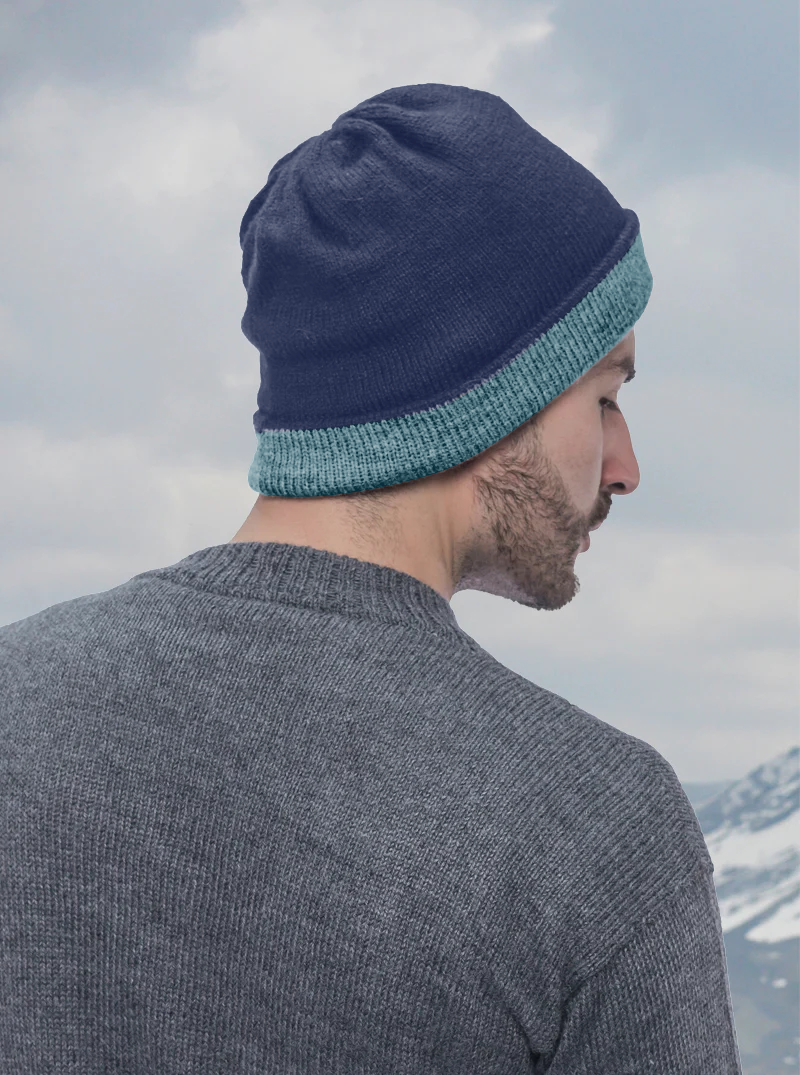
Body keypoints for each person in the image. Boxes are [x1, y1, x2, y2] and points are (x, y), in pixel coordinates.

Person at [0, 83, 742, 1073]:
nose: (625, 465)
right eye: (604, 396)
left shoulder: (16, 699)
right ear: (486, 389)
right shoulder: (594, 827)